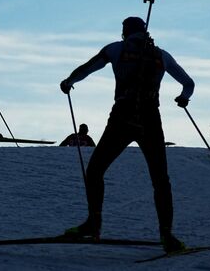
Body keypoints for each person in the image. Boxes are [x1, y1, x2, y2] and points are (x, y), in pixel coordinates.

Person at [60, 16, 195, 253]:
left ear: (125, 32)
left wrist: (69, 81)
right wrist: (183, 98)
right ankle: (167, 235)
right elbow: (188, 83)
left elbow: (87, 69)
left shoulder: (115, 49)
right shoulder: (162, 55)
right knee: (160, 179)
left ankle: (94, 222)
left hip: (123, 117)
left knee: (95, 171)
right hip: (151, 119)